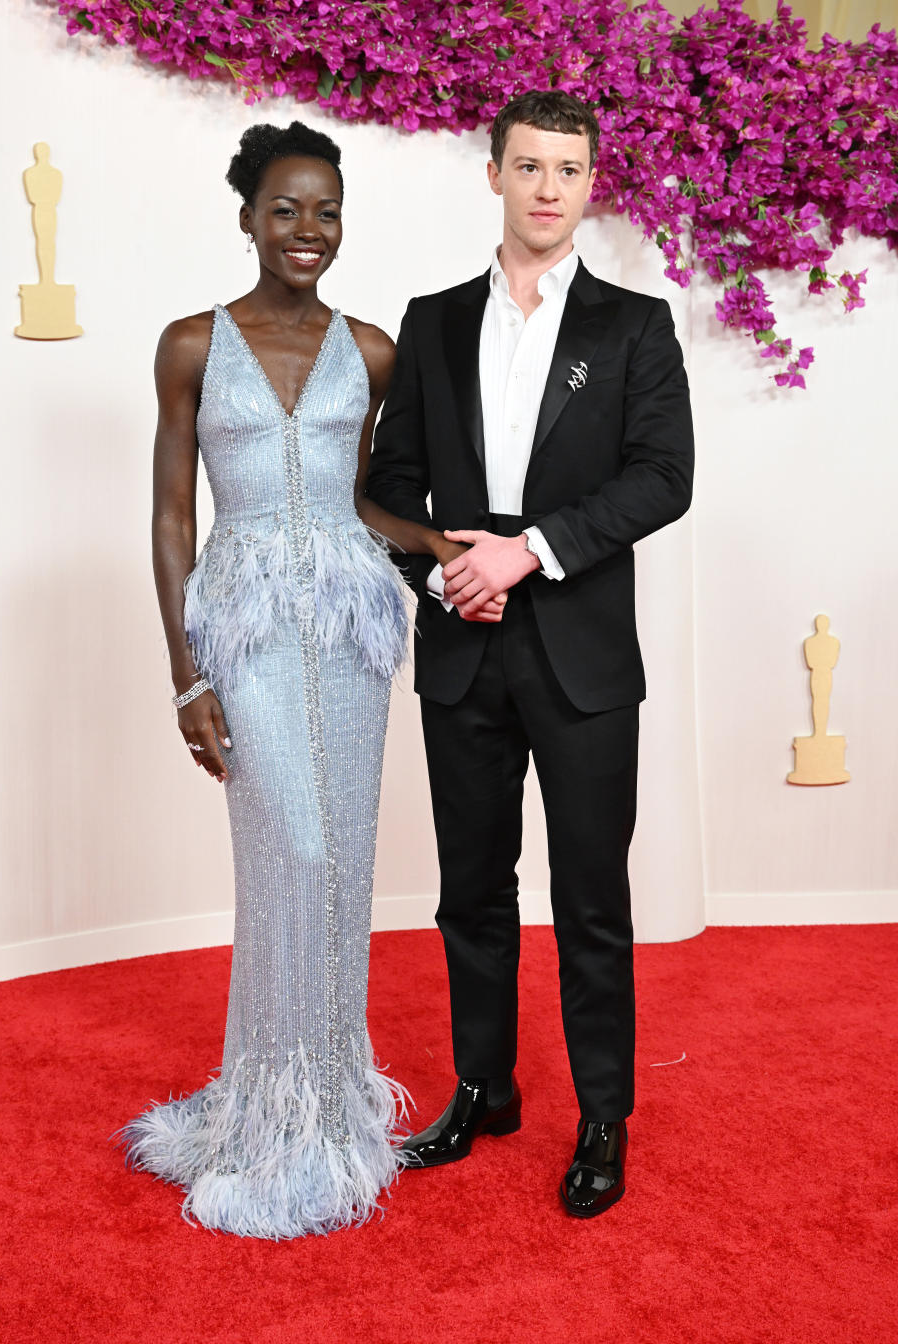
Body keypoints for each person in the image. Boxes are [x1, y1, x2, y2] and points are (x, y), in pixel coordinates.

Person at [119, 121, 470, 1239]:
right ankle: (270, 1110)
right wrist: (187, 675)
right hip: (248, 621)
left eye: (325, 210)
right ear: (247, 217)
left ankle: (325, 1101)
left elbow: (363, 500)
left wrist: (436, 543)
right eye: (286, 209)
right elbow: (174, 518)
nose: (307, 229)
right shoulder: (189, 344)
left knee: (344, 856)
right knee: (293, 847)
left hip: (353, 626)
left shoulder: (370, 350)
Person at [366, 90, 694, 1218]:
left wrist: (530, 554)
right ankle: (483, 1088)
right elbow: (386, 486)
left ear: (590, 182)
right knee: (471, 892)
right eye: (529, 166)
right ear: (494, 174)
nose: (549, 187)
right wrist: (448, 567)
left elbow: (663, 478)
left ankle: (603, 1115)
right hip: (463, 650)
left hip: (584, 659)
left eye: (569, 168)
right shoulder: (434, 320)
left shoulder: (634, 325)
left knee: (592, 895)